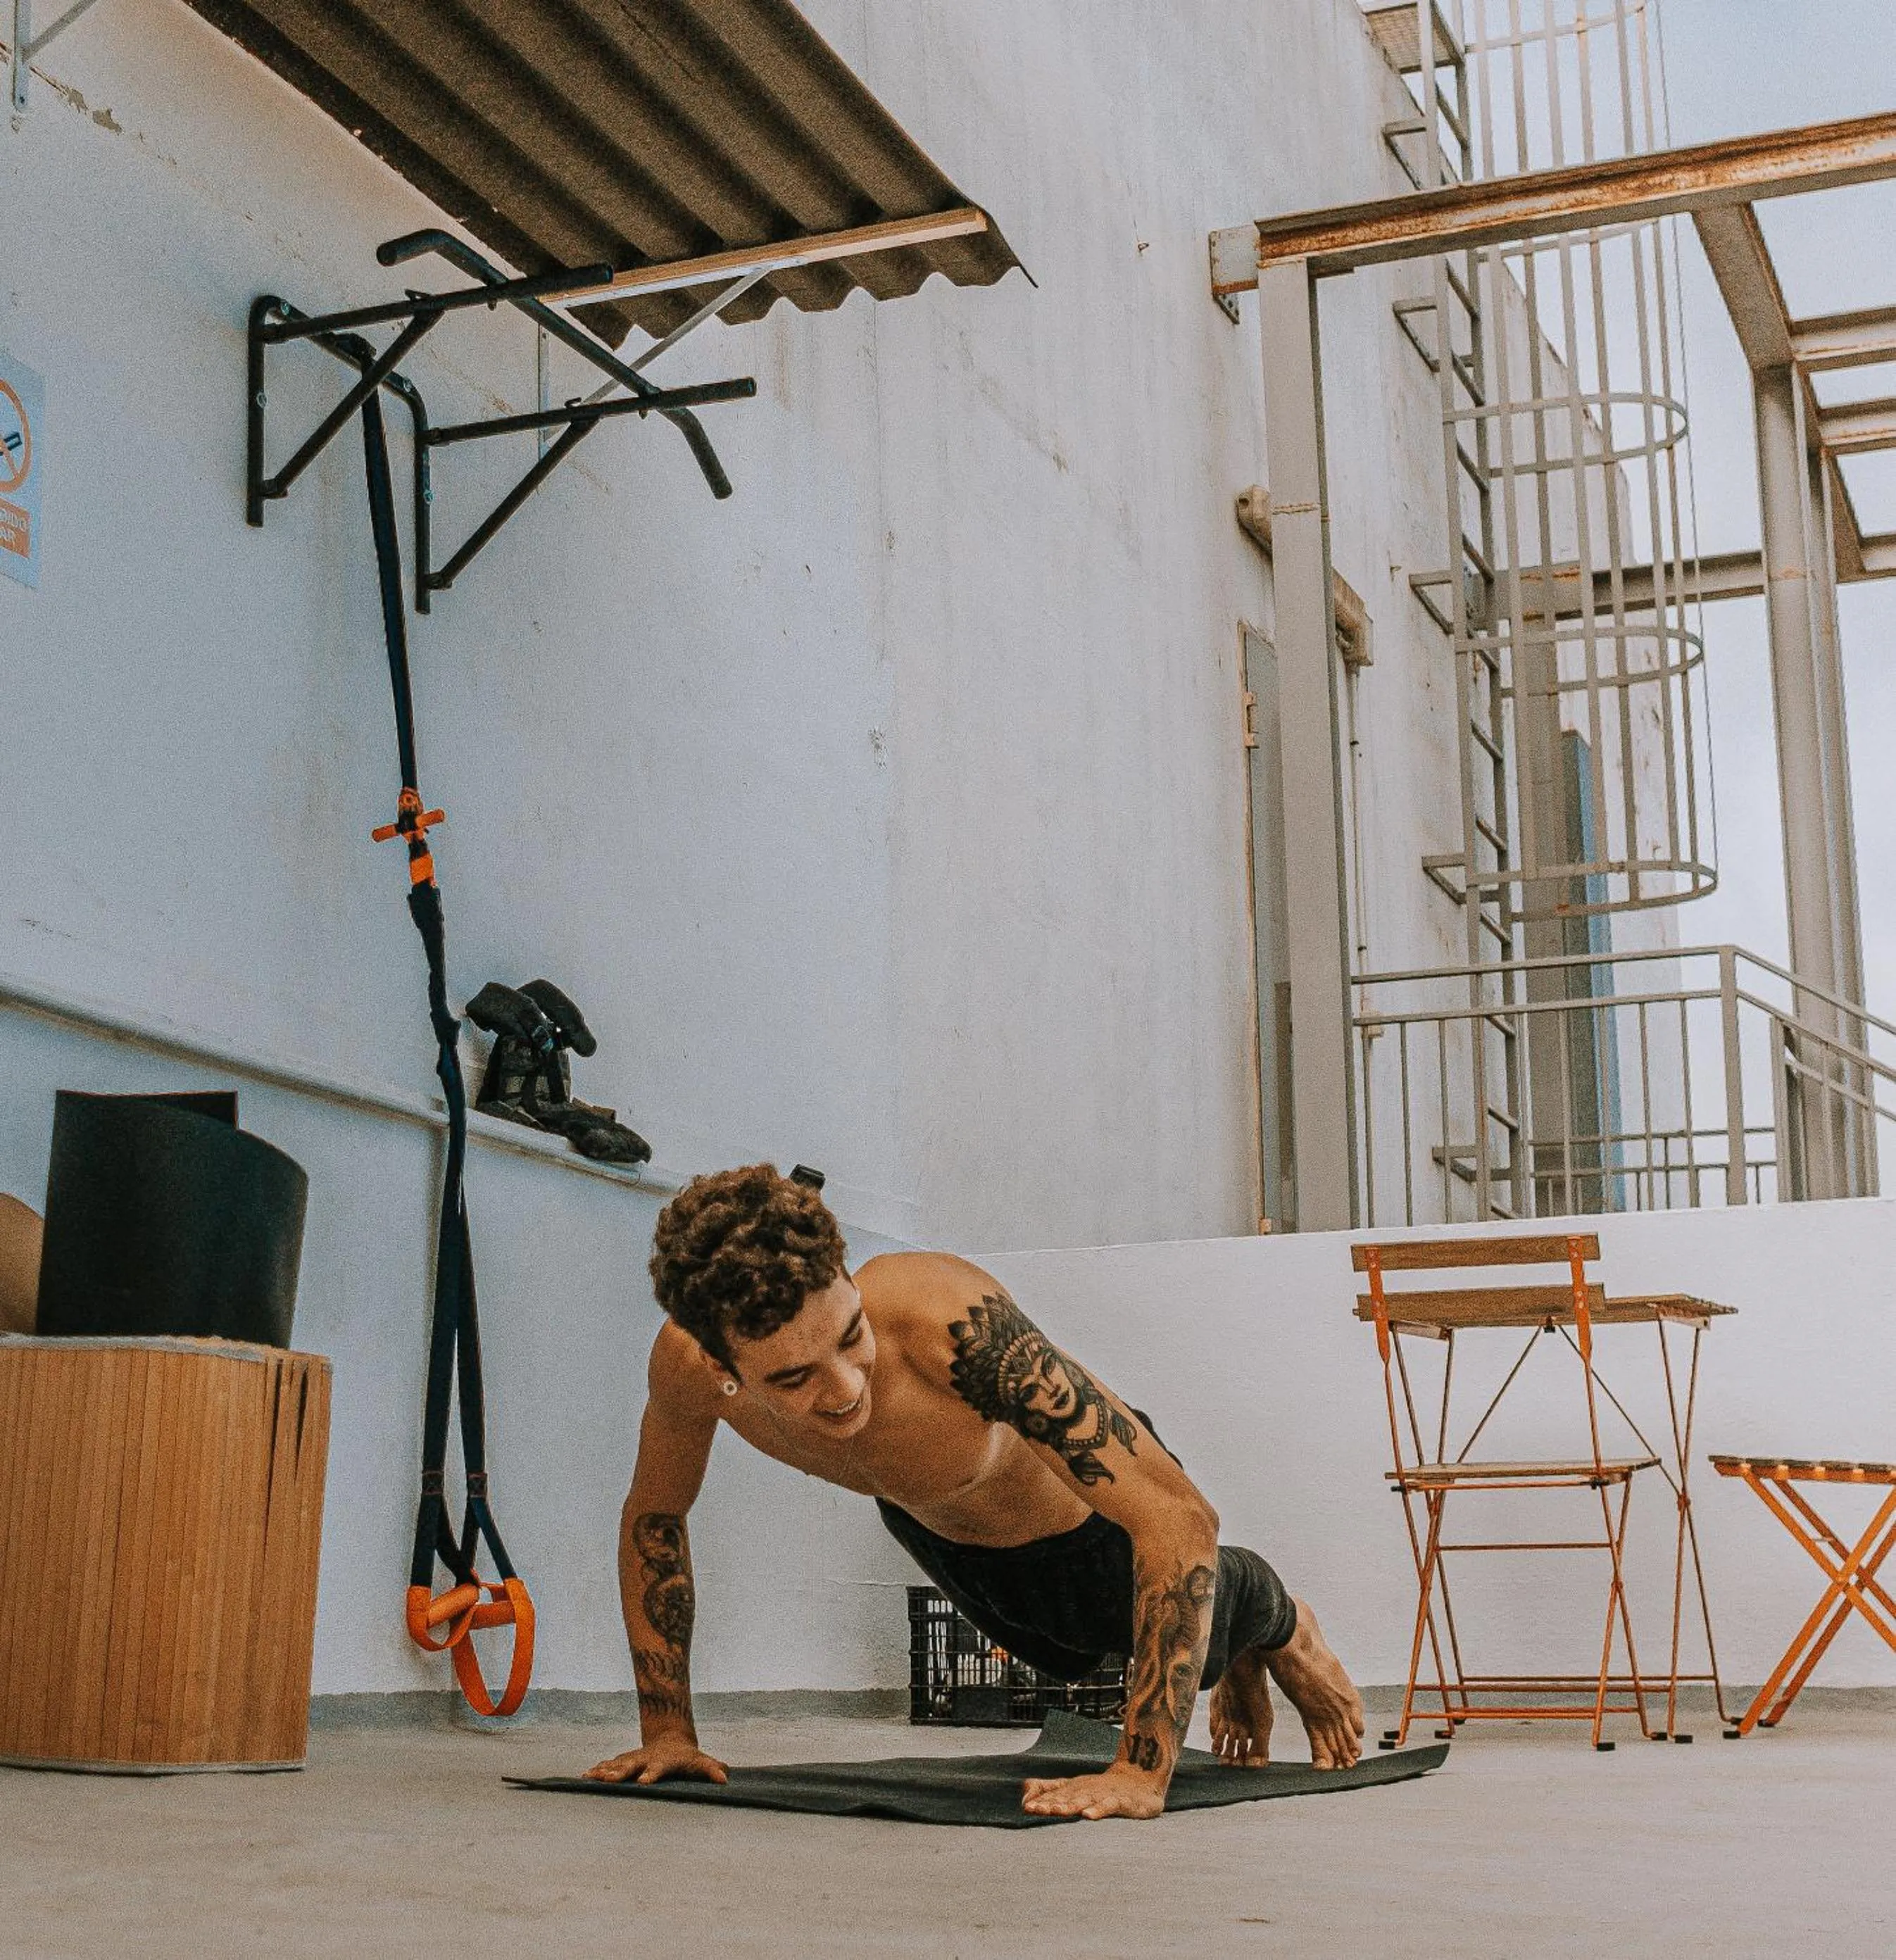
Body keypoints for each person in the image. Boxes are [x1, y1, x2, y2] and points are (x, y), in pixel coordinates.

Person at [585, 1164, 1364, 1821]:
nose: (846, 1387)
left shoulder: (948, 1321)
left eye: (850, 1337)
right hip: (941, 1530)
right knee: (1058, 1657)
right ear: (725, 1366)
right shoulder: (686, 1374)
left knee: (1145, 1631)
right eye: (793, 1378)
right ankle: (1228, 1644)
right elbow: (655, 1519)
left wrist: (1140, 1772)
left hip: (1089, 1522)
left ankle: (1277, 1616)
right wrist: (667, 1734)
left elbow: (1176, 1515)